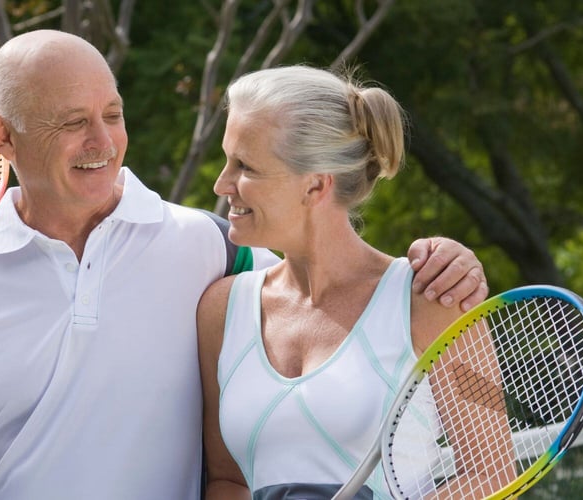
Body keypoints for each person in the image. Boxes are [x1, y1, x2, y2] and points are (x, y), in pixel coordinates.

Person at [0, 31, 489, 500]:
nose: (103, 143)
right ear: (2, 137)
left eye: (112, 114)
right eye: (74, 123)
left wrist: (447, 264)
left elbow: (337, 278)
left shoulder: (213, 249)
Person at [196, 65, 512, 500]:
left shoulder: (435, 298)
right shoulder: (220, 310)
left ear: (315, 185)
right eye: (227, 159)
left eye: (245, 166)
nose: (222, 183)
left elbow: (493, 472)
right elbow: (228, 481)